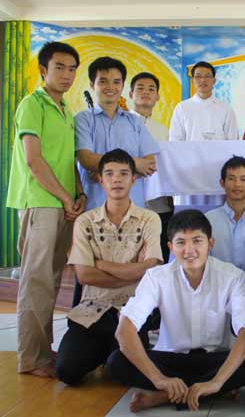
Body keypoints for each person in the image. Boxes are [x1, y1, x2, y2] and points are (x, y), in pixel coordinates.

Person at [107, 209, 245, 412]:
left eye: (197, 241)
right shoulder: (156, 277)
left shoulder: (232, 276)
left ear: (210, 243)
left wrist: (217, 381)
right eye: (181, 242)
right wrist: (159, 379)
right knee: (117, 361)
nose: (189, 250)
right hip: (170, 359)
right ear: (170, 247)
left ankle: (169, 396)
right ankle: (207, 392)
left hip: (214, 358)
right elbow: (124, 329)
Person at [7, 41, 86, 377]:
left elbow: (67, 161)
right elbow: (33, 160)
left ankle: (43, 351)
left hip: (62, 204)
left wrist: (78, 193)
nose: (67, 75)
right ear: (43, 70)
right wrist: (65, 198)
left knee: (50, 281)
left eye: (72, 69)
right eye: (59, 67)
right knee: (36, 281)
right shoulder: (32, 103)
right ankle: (31, 358)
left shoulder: (65, 109)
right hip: (40, 202)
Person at [55, 149, 163, 385]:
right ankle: (105, 351)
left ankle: (111, 353)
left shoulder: (150, 219)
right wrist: (134, 270)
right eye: (110, 174)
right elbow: (84, 275)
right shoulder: (85, 221)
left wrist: (100, 264)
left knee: (125, 374)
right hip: (92, 311)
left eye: (124, 173)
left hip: (132, 310)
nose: (117, 179)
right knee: (66, 371)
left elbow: (150, 270)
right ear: (100, 179)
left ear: (134, 179)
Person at [75, 56, 160, 210]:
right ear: (92, 85)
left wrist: (103, 170)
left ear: (122, 85)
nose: (110, 87)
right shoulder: (83, 119)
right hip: (95, 207)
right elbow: (86, 159)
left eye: (116, 82)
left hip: (133, 207)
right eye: (103, 81)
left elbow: (149, 164)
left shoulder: (135, 121)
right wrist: (134, 164)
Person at [130, 71, 173, 262]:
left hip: (159, 205)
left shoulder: (163, 131)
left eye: (151, 89)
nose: (146, 92)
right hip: (130, 201)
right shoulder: (122, 124)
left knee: (157, 257)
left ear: (157, 97)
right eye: (140, 88)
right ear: (130, 94)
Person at [169, 61, 239, 141]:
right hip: (190, 150)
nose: (203, 80)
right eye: (198, 76)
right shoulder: (182, 107)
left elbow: (233, 140)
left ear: (214, 81)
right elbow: (175, 140)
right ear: (192, 81)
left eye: (207, 76)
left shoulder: (226, 109)